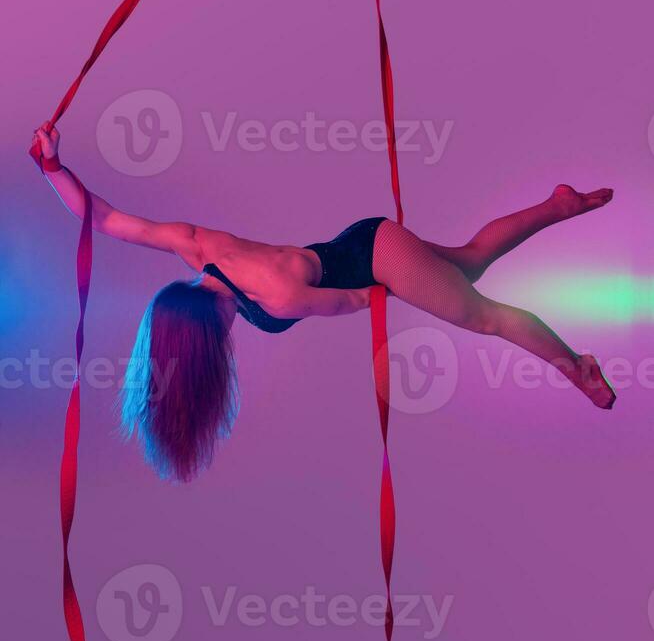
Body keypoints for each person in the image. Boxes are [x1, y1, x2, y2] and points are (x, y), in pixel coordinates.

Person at [33, 123, 616, 483]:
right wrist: (53, 168)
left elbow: (363, 301)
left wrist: (408, 287)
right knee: (468, 263)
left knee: (482, 316)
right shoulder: (199, 249)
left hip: (376, 259)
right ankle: (557, 205)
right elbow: (106, 219)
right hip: (362, 241)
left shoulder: (279, 298)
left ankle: (576, 366)